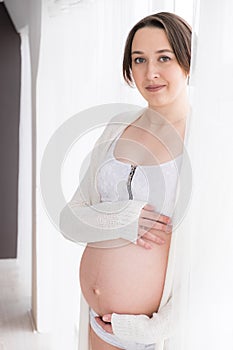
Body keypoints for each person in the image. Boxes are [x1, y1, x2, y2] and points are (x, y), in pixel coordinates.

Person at [60, 11, 192, 350]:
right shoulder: (118, 125)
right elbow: (69, 219)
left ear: (188, 61)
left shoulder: (207, 143)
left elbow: (220, 261)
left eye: (164, 57)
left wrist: (151, 329)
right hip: (97, 321)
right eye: (139, 59)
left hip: (148, 332)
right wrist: (120, 220)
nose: (151, 72)